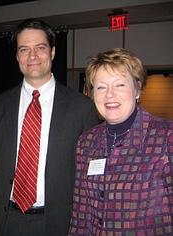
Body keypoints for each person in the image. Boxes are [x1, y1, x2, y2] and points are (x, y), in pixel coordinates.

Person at [0, 18, 98, 236]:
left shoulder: (82, 108)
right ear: (17, 56)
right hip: (6, 221)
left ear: (53, 52)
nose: (32, 56)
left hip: (59, 223)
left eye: (40, 48)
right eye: (24, 49)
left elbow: (90, 176)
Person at [68, 48, 173, 235]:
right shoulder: (86, 141)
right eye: (101, 87)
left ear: (137, 89)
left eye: (120, 85)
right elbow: (81, 211)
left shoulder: (166, 137)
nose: (109, 95)